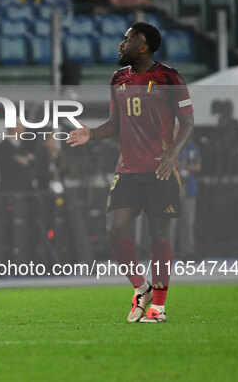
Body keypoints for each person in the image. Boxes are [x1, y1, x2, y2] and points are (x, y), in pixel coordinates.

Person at [68, 22, 195, 323]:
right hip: (127, 168)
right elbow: (115, 124)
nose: (120, 44)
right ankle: (142, 288)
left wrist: (172, 154)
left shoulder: (170, 77)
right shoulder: (117, 79)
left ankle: (158, 308)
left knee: (158, 234)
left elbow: (188, 123)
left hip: (160, 170)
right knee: (114, 229)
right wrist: (92, 134)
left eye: (127, 39)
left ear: (144, 46)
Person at [170, 120, 201, 257]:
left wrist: (186, 167)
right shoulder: (167, 145)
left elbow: (198, 166)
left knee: (188, 221)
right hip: (172, 187)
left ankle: (188, 251)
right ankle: (168, 252)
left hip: (188, 185)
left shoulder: (190, 146)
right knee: (171, 222)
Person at [0, 123, 34, 192]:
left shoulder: (23, 147)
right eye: (21, 127)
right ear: (14, 127)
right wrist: (24, 161)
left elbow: (33, 163)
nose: (24, 129)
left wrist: (23, 161)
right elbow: (8, 164)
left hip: (25, 191)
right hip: (10, 191)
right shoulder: (3, 147)